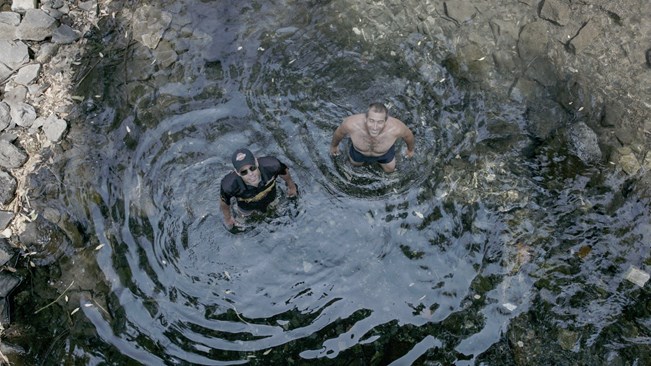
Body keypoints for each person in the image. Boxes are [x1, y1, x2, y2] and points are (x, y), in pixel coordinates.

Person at [220, 148, 298, 230]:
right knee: (242, 224)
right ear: (237, 173)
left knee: (277, 210)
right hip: (246, 206)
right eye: (244, 172)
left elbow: (284, 171)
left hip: (271, 197)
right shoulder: (229, 185)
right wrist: (228, 218)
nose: (250, 174)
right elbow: (224, 201)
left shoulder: (272, 165)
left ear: (256, 162)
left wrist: (291, 187)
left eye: (252, 168)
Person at [329, 102, 415, 173]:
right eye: (371, 121)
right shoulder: (351, 124)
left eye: (380, 122)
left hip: (384, 154)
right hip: (358, 152)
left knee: (390, 170)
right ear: (365, 119)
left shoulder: (396, 128)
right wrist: (334, 146)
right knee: (355, 166)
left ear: (386, 121)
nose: (375, 127)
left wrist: (410, 150)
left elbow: (408, 136)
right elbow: (339, 133)